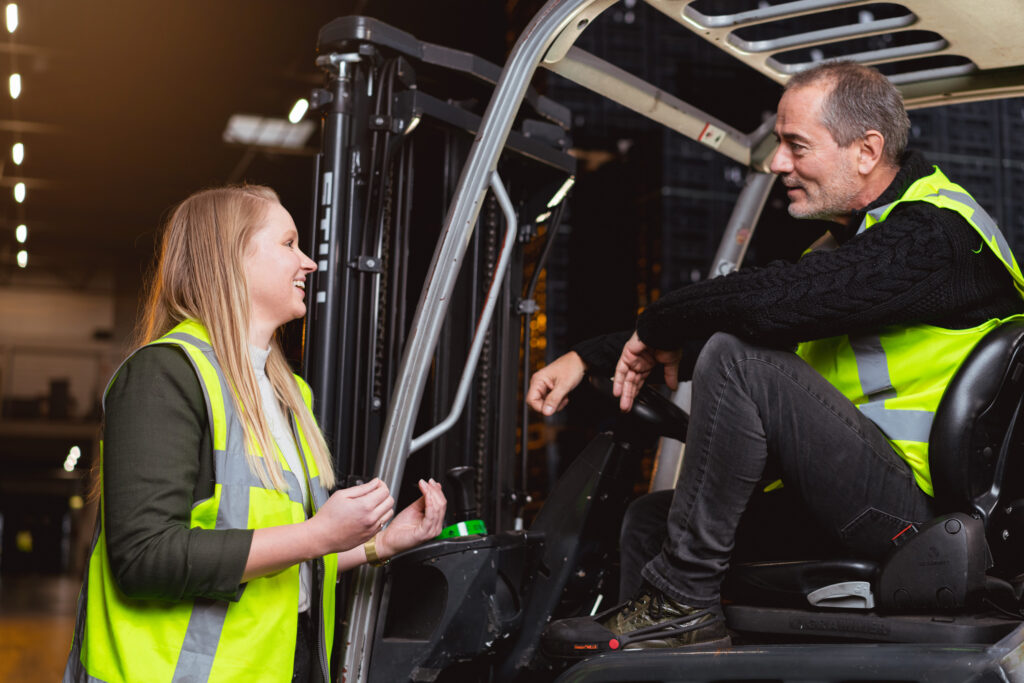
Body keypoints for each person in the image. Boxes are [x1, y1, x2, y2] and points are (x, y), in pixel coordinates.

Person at [528, 61, 1024, 655]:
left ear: (866, 151)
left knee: (739, 361)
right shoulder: (856, 248)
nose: (776, 163)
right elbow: (767, 323)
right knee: (652, 520)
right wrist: (589, 358)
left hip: (922, 514)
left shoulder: (934, 234)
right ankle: (652, 644)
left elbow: (766, 309)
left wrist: (658, 319)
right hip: (858, 494)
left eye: (796, 145)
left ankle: (682, 601)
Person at [63, 185, 447, 682]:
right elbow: (144, 558)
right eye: (288, 244)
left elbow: (286, 564)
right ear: (231, 258)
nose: (309, 262)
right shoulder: (165, 375)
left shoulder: (290, 395)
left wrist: (378, 544)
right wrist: (317, 534)